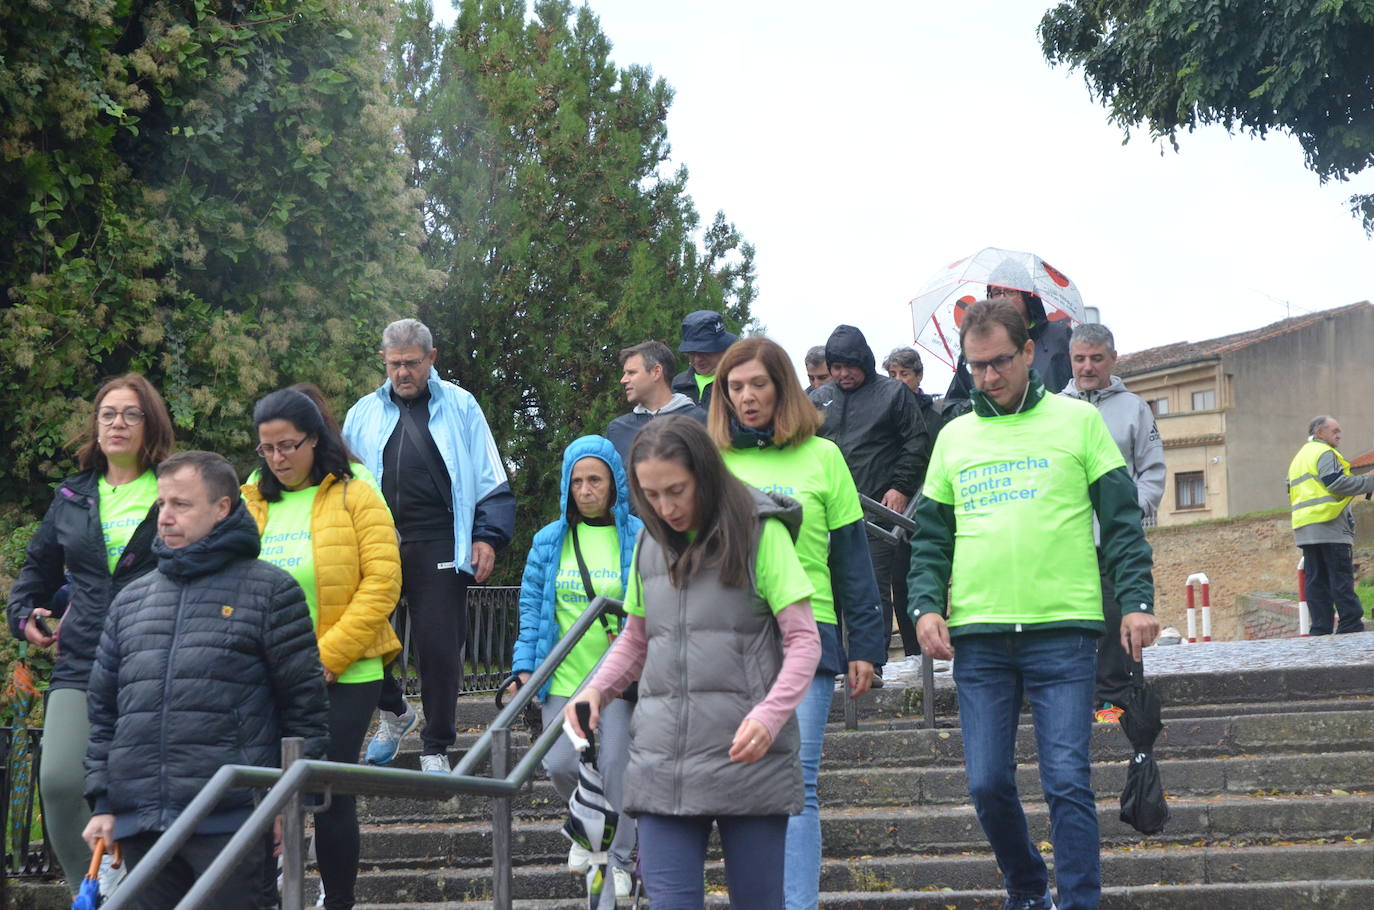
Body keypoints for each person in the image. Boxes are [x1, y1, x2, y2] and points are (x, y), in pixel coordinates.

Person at [908, 300, 1158, 910]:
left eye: (999, 363)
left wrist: (1135, 601)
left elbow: (1122, 522)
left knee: (1067, 782)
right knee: (986, 782)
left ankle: (1078, 901)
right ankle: (1025, 885)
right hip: (980, 635)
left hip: (1064, 633)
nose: (987, 378)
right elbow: (932, 536)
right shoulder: (955, 436)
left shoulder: (1078, 424)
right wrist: (923, 606)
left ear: (1027, 353)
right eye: (975, 368)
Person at [565, 417, 820, 909]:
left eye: (676, 491)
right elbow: (636, 640)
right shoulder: (648, 543)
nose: (665, 508)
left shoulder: (763, 534)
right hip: (661, 763)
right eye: (651, 495)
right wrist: (596, 690)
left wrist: (770, 716)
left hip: (748, 759)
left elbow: (805, 642)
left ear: (705, 473)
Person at [82, 451, 329, 910]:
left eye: (181, 504)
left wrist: (290, 806)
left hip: (232, 819)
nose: (166, 517)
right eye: (161, 505)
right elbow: (103, 714)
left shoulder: (271, 591)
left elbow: (305, 708)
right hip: (142, 823)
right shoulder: (131, 599)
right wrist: (102, 803)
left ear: (222, 508)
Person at [709, 337, 885, 910]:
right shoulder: (711, 459)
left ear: (783, 387)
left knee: (798, 785)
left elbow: (852, 561)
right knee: (739, 788)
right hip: (729, 642)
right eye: (735, 387)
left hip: (809, 638)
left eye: (758, 384)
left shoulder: (823, 457)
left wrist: (868, 648)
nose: (747, 397)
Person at [5, 374, 174, 894]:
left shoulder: (174, 485)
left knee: (145, 787)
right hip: (81, 658)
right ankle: (96, 891)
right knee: (58, 782)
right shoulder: (73, 495)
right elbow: (38, 569)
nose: (117, 423)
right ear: (95, 426)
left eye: (130, 413)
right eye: (107, 414)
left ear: (151, 424)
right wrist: (23, 613)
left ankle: (149, 892)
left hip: (159, 655)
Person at [242, 389, 403, 910]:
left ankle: (338, 902)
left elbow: (382, 582)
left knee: (327, 793)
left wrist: (326, 658)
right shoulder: (251, 498)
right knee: (260, 795)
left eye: (287, 445)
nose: (277, 458)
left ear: (315, 439)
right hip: (264, 673)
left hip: (347, 672)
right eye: (266, 449)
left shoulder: (356, 494)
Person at [343, 318, 516, 774]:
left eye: (413, 364)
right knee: (360, 635)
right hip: (377, 542)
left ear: (431, 359)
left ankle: (436, 745)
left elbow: (489, 475)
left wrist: (488, 536)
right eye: (396, 364)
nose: (403, 373)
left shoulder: (461, 406)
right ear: (384, 360)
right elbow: (340, 481)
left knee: (440, 648)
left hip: (441, 539)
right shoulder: (361, 413)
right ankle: (395, 713)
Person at [509, 436, 643, 902]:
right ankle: (589, 831)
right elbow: (532, 606)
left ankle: (620, 860)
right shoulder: (549, 540)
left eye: (596, 481)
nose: (586, 491)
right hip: (564, 677)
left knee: (615, 766)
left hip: (619, 682)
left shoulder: (639, 534)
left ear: (613, 485)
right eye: (578, 481)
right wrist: (525, 665)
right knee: (561, 762)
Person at [1061, 324, 1166, 723]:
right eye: (1079, 359)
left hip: (1115, 538)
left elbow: (1153, 471)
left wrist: (1127, 513)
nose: (1087, 367)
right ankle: (1075, 694)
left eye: (1096, 358)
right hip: (1068, 538)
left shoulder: (1135, 408)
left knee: (1114, 615)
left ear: (1113, 359)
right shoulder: (1057, 408)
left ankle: (1115, 698)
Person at [809, 325, 929, 663]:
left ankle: (872, 662)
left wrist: (901, 487)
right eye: (836, 367)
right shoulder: (817, 399)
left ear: (865, 360)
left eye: (850, 366)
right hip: (827, 511)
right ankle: (828, 663)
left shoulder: (893, 393)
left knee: (872, 588)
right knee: (826, 589)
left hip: (876, 510)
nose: (843, 374)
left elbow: (916, 442)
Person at [944, 258, 1074, 411]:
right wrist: (984, 403)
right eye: (996, 292)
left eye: (1011, 291)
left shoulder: (1059, 336)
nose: (1002, 298)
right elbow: (952, 406)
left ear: (1027, 295)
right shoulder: (977, 347)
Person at [1288, 415, 1372, 634]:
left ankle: (1320, 629)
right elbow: (1335, 483)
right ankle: (1350, 626)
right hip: (1330, 524)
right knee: (1340, 577)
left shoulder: (1300, 457)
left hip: (1306, 528)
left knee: (1316, 581)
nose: (1339, 435)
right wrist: (1369, 480)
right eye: (1335, 431)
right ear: (1319, 432)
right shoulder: (1325, 453)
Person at [605, 341, 707, 465]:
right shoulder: (617, 430)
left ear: (656, 372)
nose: (623, 380)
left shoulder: (701, 421)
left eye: (631, 373)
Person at [670, 309, 738, 408]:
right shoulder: (678, 384)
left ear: (722, 348)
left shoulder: (737, 382)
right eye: (691, 353)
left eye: (704, 352)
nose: (697, 359)